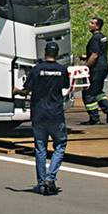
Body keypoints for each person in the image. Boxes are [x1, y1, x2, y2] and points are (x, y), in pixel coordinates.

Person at [14, 42, 70, 195]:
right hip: (56, 114)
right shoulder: (62, 70)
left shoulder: (36, 69)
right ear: (57, 53)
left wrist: (16, 91)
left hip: (38, 114)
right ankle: (50, 177)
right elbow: (65, 86)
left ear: (45, 53)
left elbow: (26, 90)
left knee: (40, 149)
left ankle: (41, 184)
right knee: (60, 144)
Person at [80, 16, 108, 125]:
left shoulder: (95, 38)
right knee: (98, 91)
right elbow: (99, 53)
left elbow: (94, 55)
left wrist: (86, 67)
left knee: (88, 93)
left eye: (92, 23)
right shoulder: (103, 37)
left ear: (97, 26)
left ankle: (94, 118)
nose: (89, 24)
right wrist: (87, 56)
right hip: (103, 67)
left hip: (96, 69)